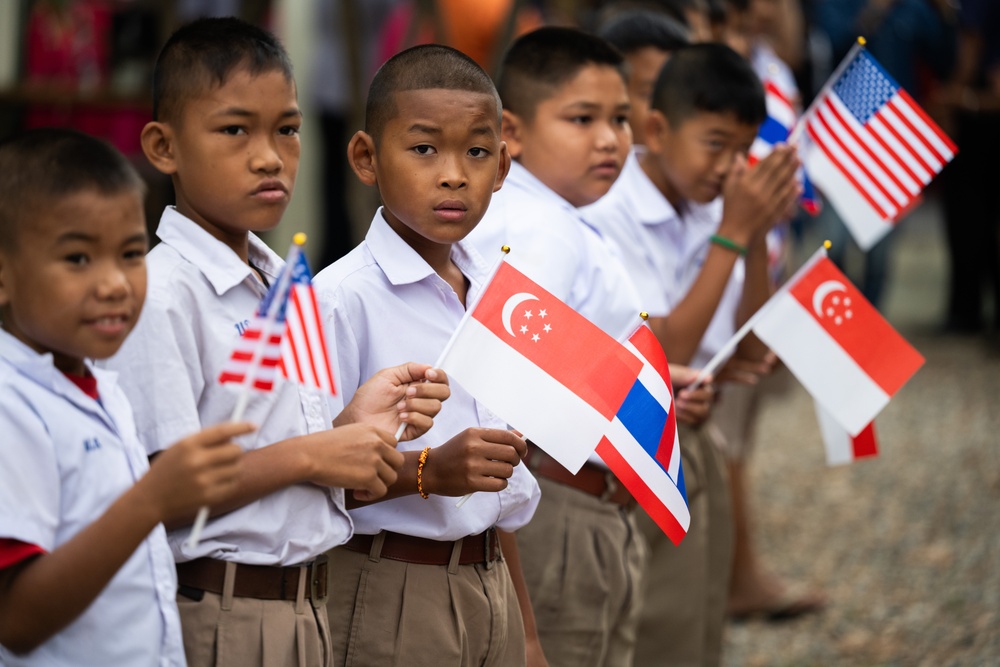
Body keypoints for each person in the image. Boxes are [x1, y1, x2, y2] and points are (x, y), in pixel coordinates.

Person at [105, 18, 449, 667]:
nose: (269, 156)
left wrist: (359, 424)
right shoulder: (164, 291)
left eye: (287, 129)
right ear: (163, 146)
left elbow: (295, 455)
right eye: (235, 130)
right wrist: (318, 452)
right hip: (222, 610)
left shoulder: (283, 280)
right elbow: (161, 488)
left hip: (308, 607)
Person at [466, 27, 714, 666]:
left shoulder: (560, 220)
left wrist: (649, 387)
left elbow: (566, 366)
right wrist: (523, 626)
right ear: (511, 134)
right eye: (582, 119)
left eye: (621, 118)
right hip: (559, 510)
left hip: (586, 507)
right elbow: (498, 405)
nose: (610, 139)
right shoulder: (538, 232)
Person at [313, 44, 543, 666]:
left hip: (489, 581)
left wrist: (525, 631)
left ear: (501, 166)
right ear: (366, 157)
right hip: (391, 586)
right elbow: (308, 480)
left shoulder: (497, 295)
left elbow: (495, 489)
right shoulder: (339, 300)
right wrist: (430, 471)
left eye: (475, 151)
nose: (453, 174)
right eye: (423, 149)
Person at [582, 43, 800, 665]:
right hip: (637, 448)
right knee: (658, 628)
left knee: (701, 624)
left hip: (698, 438)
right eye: (714, 144)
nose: (730, 167)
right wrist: (734, 231)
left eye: (743, 150)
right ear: (658, 129)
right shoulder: (614, 209)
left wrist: (753, 239)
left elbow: (753, 348)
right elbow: (663, 351)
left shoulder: (715, 205)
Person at [0, 128, 248, 665]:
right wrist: (153, 499)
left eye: (131, 253)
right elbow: (16, 621)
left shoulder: (99, 386)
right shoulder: (10, 405)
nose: (115, 284)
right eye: (77, 259)